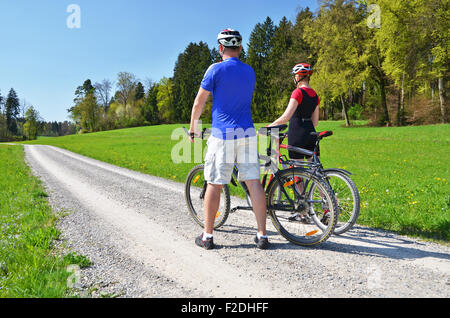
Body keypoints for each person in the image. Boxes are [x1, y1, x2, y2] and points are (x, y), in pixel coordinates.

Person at [188, 29, 269, 250]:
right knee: (254, 182)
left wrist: (193, 127)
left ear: (221, 48)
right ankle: (262, 235)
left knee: (215, 183)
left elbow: (199, 103)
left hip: (223, 134)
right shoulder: (249, 71)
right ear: (240, 48)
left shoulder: (215, 69)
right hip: (247, 132)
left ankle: (208, 236)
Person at [268, 63, 320, 222]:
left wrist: (269, 126)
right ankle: (327, 208)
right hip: (311, 133)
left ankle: (303, 212)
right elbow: (316, 121)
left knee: (297, 172)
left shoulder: (298, 92)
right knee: (315, 173)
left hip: (297, 134)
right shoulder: (315, 95)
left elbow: (286, 117)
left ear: (298, 77)